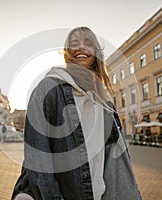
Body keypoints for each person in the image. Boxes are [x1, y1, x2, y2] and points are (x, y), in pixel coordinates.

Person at [11, 26, 142, 200]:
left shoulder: (104, 102)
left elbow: (113, 162)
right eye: (75, 43)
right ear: (67, 52)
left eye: (87, 43)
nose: (81, 47)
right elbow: (38, 158)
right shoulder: (48, 89)